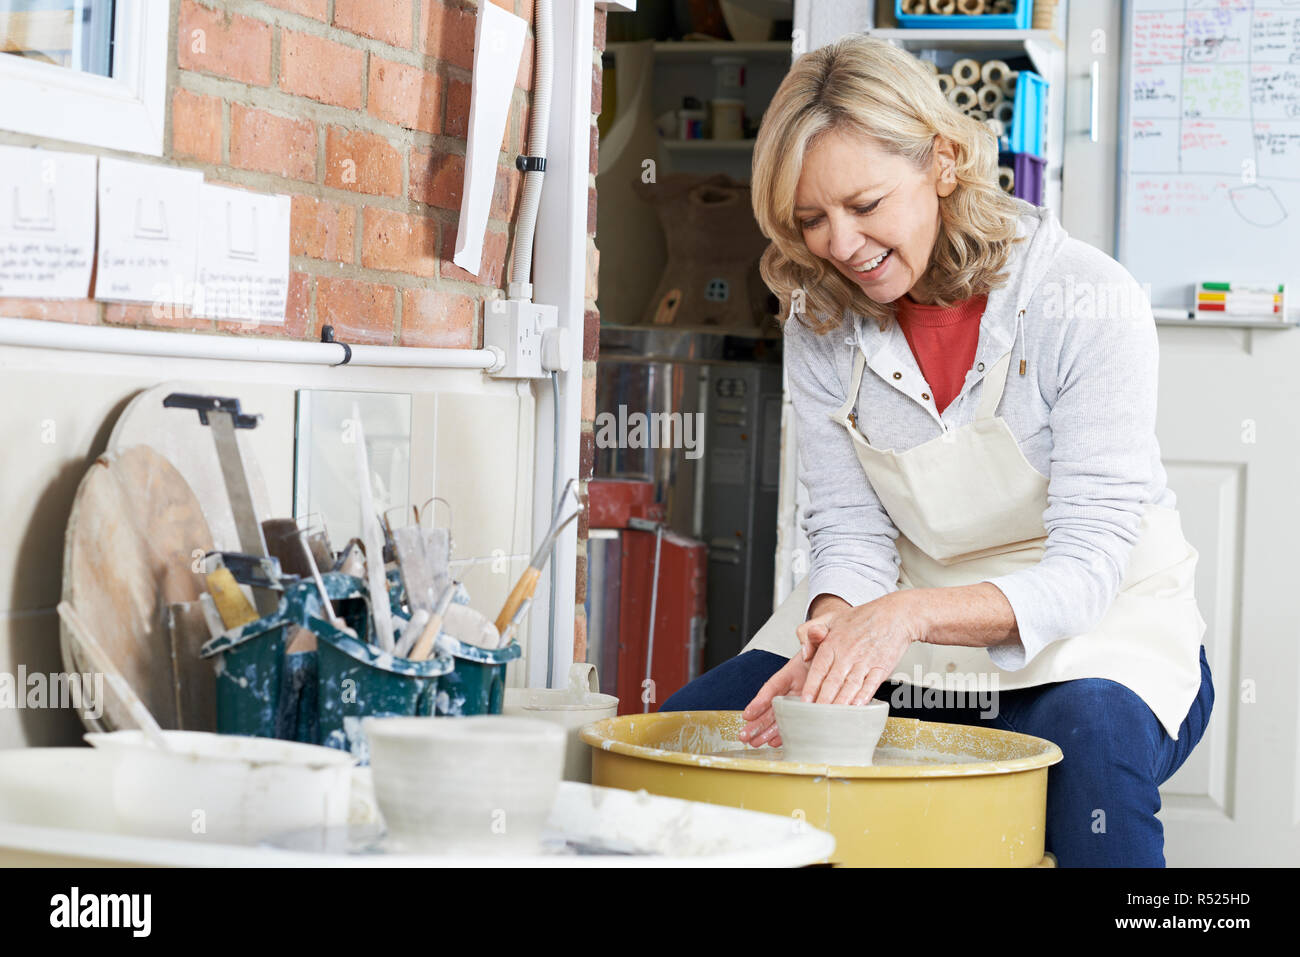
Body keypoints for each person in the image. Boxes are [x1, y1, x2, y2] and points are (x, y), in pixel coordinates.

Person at [660, 35, 1214, 867]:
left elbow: (1092, 563)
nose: (839, 243)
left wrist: (904, 618)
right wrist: (835, 636)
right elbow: (850, 533)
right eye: (809, 219)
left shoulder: (1084, 300)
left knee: (1090, 753)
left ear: (943, 163)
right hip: (899, 628)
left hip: (1095, 637)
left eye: (864, 203)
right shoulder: (819, 317)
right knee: (686, 744)